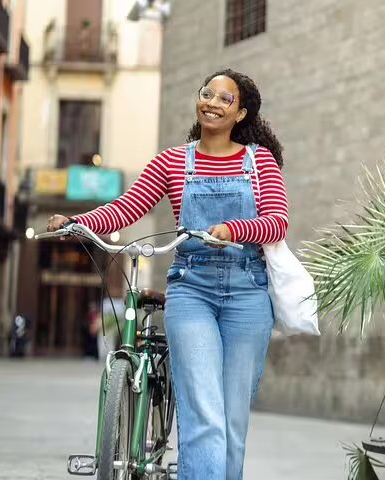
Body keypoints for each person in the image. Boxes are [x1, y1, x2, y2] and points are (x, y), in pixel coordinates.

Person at [47, 69, 288, 480]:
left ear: (241, 112)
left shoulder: (258, 160)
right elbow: (126, 208)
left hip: (248, 291)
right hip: (191, 290)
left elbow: (277, 222)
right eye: (207, 93)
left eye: (224, 99)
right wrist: (77, 221)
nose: (212, 102)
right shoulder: (173, 160)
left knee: (232, 423)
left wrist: (234, 230)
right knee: (203, 418)